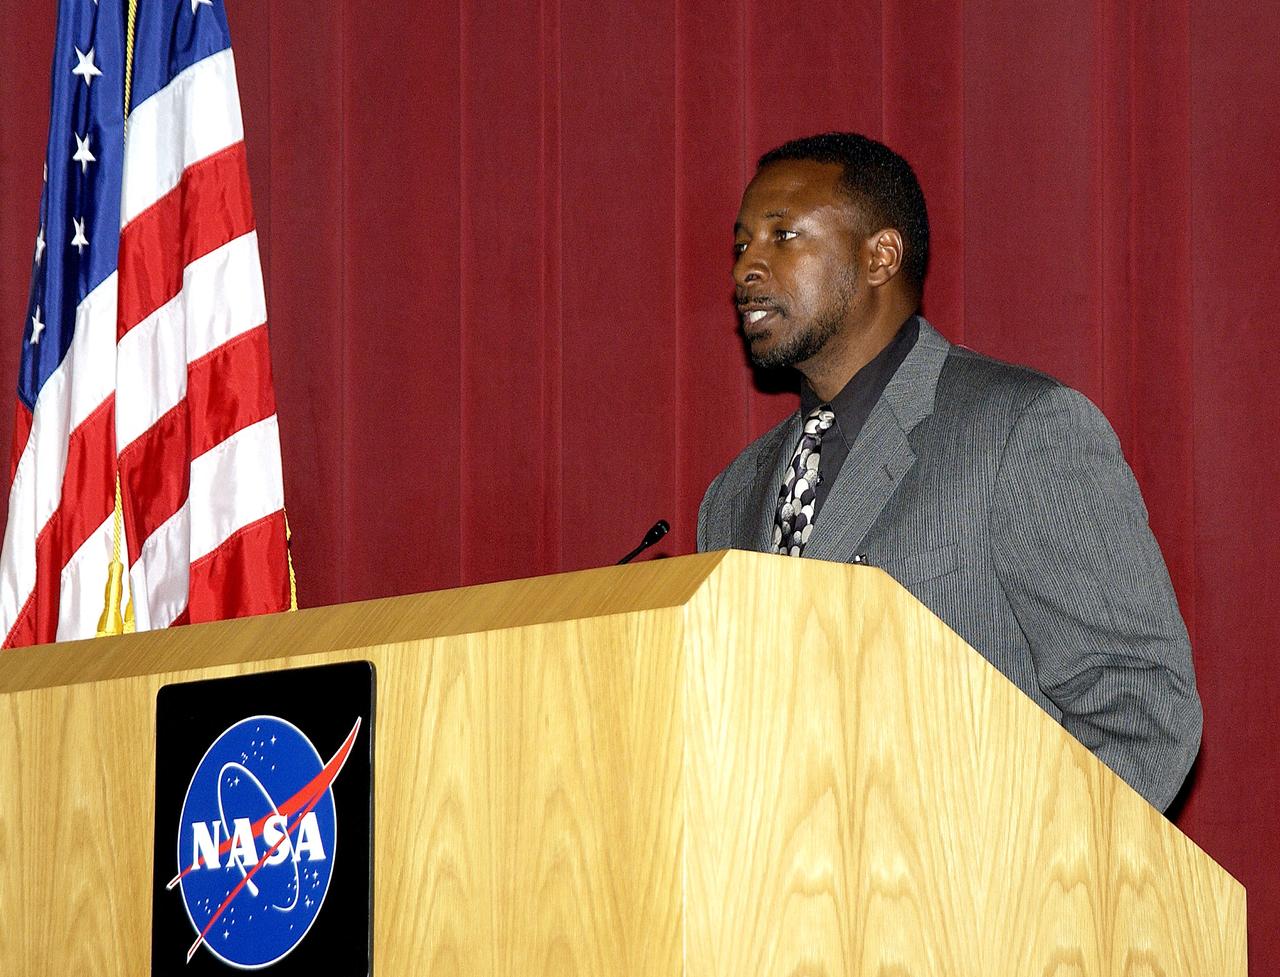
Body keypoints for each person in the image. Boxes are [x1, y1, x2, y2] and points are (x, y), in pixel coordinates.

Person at [697, 132, 1201, 812]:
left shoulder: (1022, 430)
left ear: (880, 256)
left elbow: (1141, 707)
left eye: (782, 236)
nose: (746, 268)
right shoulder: (731, 496)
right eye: (740, 245)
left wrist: (998, 884)